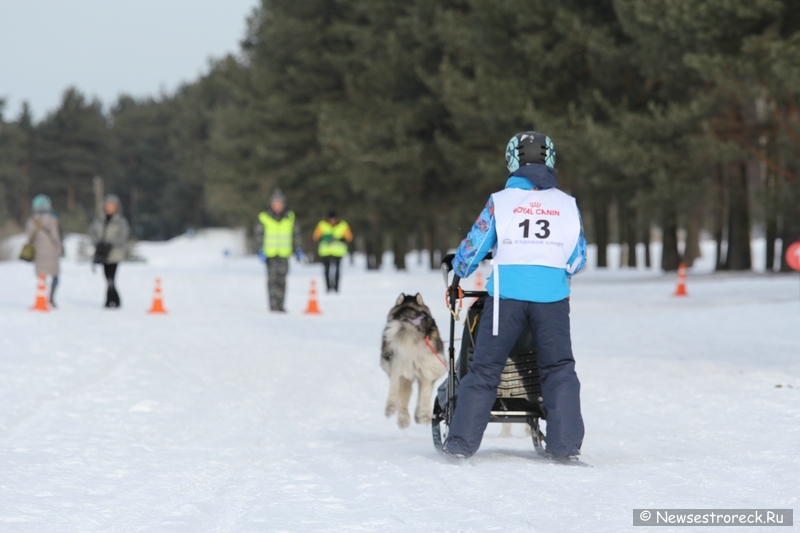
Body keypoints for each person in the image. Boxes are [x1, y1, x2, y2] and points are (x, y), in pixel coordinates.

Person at [442, 131, 587, 461]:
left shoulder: (501, 202)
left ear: (511, 161)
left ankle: (461, 445)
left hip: (506, 298)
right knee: (559, 369)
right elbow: (578, 259)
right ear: (550, 160)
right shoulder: (567, 204)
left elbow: (473, 249)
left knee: (485, 369)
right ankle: (565, 448)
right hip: (551, 300)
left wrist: (460, 268)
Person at [255, 189, 303, 312]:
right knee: (272, 280)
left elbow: (296, 234)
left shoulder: (290, 217)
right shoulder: (264, 217)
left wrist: (298, 248)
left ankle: (280, 304)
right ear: (271, 204)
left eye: (279, 204)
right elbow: (258, 235)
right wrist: (259, 249)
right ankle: (273, 304)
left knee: (282, 279)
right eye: (275, 204)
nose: (277, 207)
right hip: (270, 253)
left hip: (284, 253)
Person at [89, 194, 130, 308]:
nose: (109, 207)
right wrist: (98, 242)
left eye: (112, 205)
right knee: (107, 277)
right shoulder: (99, 219)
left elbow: (123, 236)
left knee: (111, 278)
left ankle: (110, 300)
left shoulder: (120, 221)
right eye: (107, 205)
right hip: (102, 253)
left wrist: (111, 243)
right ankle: (114, 300)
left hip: (114, 253)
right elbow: (92, 232)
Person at [25, 194, 63, 307]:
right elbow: (56, 235)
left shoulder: (31, 220)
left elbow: (29, 236)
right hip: (51, 250)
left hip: (38, 250)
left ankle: (42, 296)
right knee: (55, 275)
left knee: (42, 275)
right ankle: (51, 297)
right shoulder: (52, 218)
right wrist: (59, 248)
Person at [312, 210, 353, 293]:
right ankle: (328, 287)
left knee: (337, 270)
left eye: (334, 219)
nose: (332, 221)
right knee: (326, 270)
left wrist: (340, 239)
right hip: (325, 251)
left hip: (338, 252)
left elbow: (349, 237)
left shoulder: (343, 225)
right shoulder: (322, 224)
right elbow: (315, 237)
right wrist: (324, 238)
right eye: (330, 219)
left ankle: (336, 288)